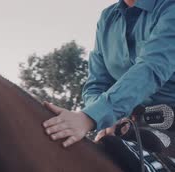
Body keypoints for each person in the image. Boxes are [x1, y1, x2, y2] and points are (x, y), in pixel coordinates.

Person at [42, 0, 175, 147]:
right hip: (133, 130)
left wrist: (90, 117)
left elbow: (152, 68)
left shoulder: (170, 7)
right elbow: (95, 85)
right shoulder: (107, 18)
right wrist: (107, 119)